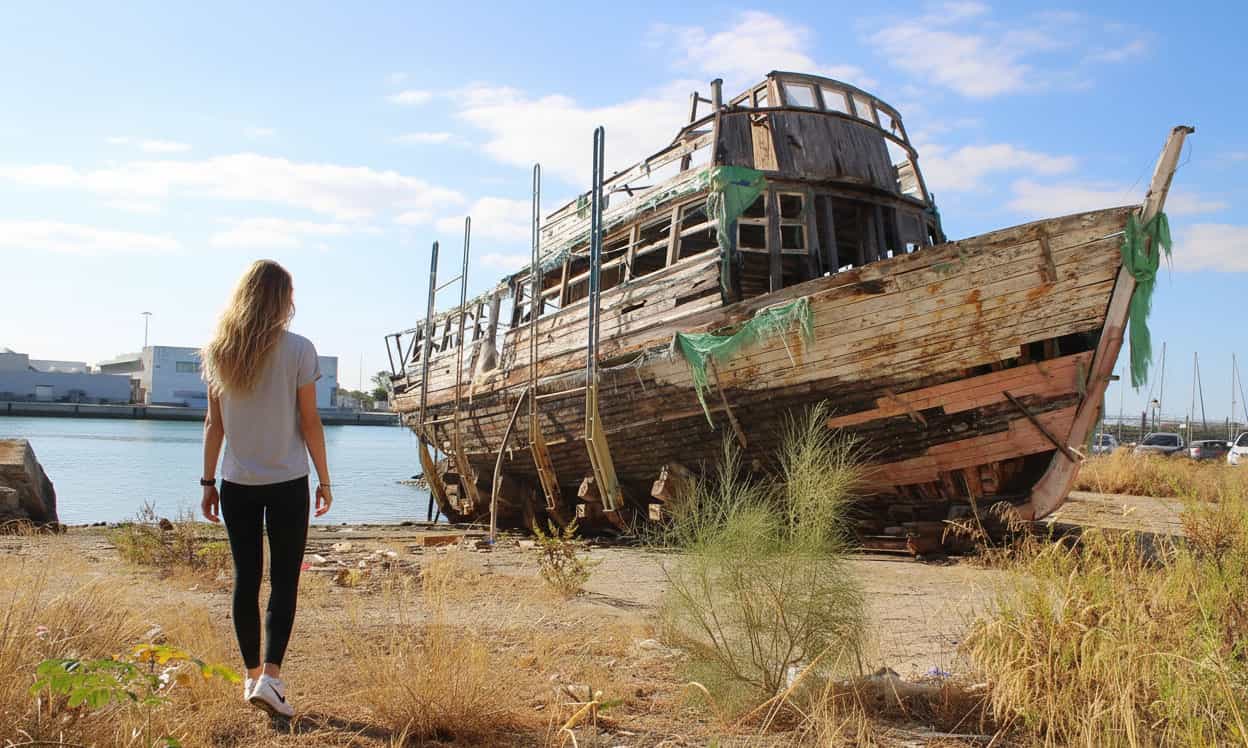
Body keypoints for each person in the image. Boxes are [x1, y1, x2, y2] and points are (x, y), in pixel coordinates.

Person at [199, 259, 332, 718]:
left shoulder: (219, 349)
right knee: (284, 581)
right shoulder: (299, 350)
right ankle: (270, 679)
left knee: (246, 578)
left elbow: (214, 425)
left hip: (237, 483)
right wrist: (325, 479)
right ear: (282, 300)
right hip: (288, 483)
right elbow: (310, 422)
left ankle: (252, 676)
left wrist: (207, 482)